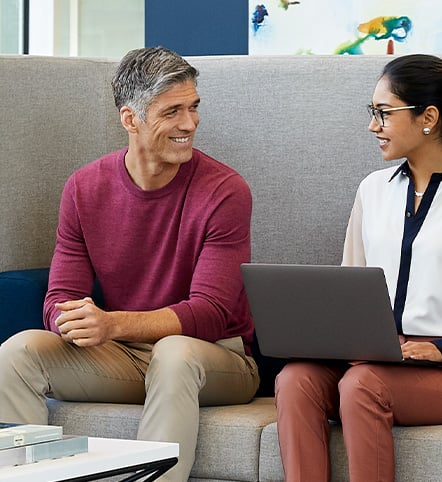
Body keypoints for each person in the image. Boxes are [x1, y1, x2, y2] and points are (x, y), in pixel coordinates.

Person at [0, 46, 260, 481]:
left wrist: (113, 324)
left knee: (174, 354)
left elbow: (212, 314)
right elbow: (60, 296)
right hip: (123, 358)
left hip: (216, 358)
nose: (190, 124)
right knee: (18, 352)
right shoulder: (84, 188)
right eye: (172, 111)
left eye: (194, 107)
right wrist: (70, 319)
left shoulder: (226, 191)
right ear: (130, 119)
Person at [274, 53, 442, 482]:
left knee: (363, 386)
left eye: (384, 113)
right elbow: (349, 285)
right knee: (295, 379)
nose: (372, 126)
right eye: (372, 113)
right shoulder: (372, 192)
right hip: (377, 358)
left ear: (428, 117)